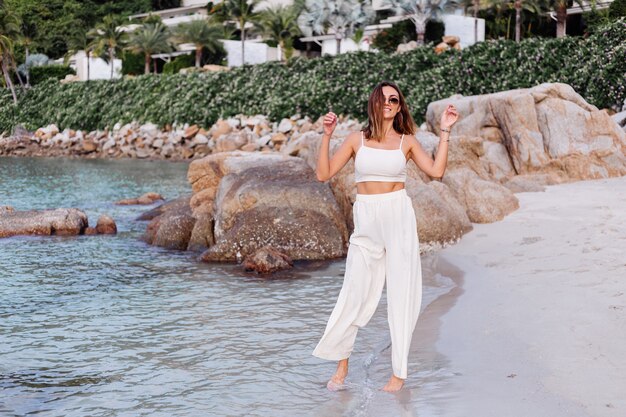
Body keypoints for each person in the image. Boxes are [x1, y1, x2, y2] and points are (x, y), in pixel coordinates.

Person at [312, 81, 459, 392]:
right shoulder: (356, 140)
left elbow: (435, 171)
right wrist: (325, 137)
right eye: (383, 98)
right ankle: (342, 364)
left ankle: (398, 375)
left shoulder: (406, 142)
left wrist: (445, 131)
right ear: (374, 104)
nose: (389, 103)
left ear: (400, 105)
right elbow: (324, 174)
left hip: (398, 215)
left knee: (403, 292)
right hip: (366, 216)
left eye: (394, 99)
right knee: (354, 291)